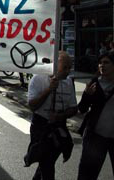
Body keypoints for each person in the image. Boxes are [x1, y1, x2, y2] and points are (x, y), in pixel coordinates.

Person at [26, 51, 77, 180]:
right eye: (64, 67)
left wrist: (60, 116)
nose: (67, 71)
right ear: (55, 65)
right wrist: (49, 89)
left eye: (69, 68)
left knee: (48, 161)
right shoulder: (38, 78)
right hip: (41, 125)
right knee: (46, 163)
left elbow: (73, 108)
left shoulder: (69, 82)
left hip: (58, 126)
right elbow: (32, 105)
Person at [77, 52, 114, 180]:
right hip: (95, 137)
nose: (102, 65)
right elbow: (82, 109)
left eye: (106, 62)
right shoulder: (94, 83)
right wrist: (87, 94)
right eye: (100, 63)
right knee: (87, 174)